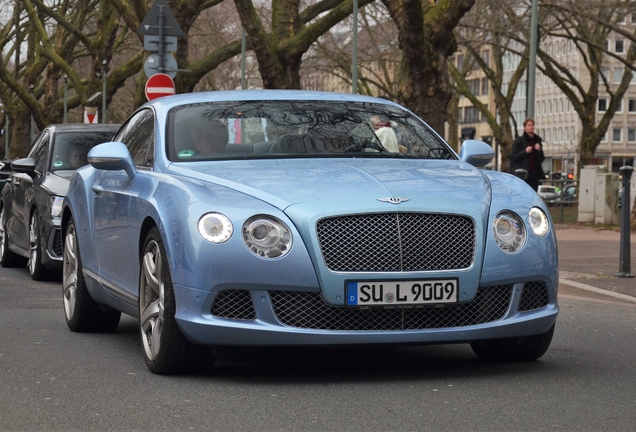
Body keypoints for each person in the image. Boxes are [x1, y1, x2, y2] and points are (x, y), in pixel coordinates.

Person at [510, 118, 545, 191]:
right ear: (525, 128)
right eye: (529, 125)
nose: (531, 127)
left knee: (533, 195)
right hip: (522, 174)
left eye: (532, 125)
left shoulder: (537, 141)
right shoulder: (519, 141)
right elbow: (513, 157)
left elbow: (541, 159)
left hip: (534, 174)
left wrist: (539, 150)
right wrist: (525, 152)